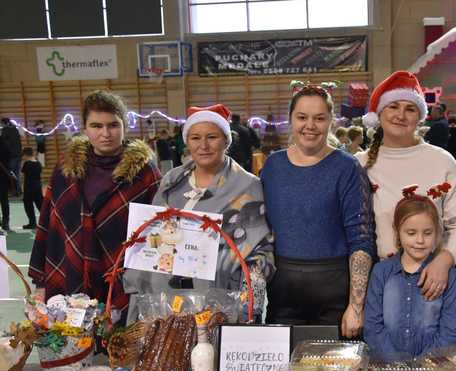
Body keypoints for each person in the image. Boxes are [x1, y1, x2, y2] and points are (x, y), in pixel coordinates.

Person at [124, 104, 274, 323]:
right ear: (187, 141)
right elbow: (150, 238)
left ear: (226, 140)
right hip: (166, 302)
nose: (203, 145)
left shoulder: (248, 187)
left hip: (218, 302)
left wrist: (247, 300)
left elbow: (259, 250)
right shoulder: (171, 182)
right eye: (195, 138)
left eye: (212, 137)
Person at [29, 90, 161, 313]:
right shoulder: (66, 169)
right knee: (74, 344)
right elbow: (48, 225)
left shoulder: (144, 172)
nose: (106, 133)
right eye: (96, 126)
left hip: (122, 278)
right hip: (70, 273)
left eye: (113, 125)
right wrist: (41, 282)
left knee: (118, 344)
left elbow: (160, 229)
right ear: (85, 128)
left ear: (124, 125)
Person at [261, 84, 376, 337]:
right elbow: (259, 230)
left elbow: (362, 238)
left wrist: (356, 306)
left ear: (330, 121)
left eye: (319, 118)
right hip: (283, 292)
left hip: (333, 292)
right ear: (291, 119)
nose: (310, 125)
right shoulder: (273, 166)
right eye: (302, 117)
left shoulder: (347, 168)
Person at [357, 70, 456, 301]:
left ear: (420, 116)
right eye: (393, 106)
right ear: (379, 113)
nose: (401, 115)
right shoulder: (360, 165)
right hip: (376, 284)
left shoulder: (443, 162)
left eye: (410, 109)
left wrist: (444, 261)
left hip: (430, 282)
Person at [364, 185, 456, 361]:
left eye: (427, 233)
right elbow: (373, 327)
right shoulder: (381, 272)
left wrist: (422, 364)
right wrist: (396, 363)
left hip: (431, 370)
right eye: (411, 233)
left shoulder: (450, 276)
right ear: (398, 232)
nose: (419, 240)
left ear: (436, 233)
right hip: (387, 369)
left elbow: (449, 329)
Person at [20, 147, 43, 229]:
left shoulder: (27, 164)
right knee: (40, 205)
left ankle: (32, 223)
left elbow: (23, 176)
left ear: (26, 155)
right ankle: (47, 221)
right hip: (38, 186)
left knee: (28, 205)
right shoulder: (39, 164)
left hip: (29, 187)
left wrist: (22, 188)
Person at [1, 118, 22, 196]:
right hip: (18, 154)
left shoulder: (5, 130)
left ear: (3, 123)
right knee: (17, 174)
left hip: (11, 156)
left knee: (10, 173)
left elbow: (4, 144)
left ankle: (11, 191)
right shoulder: (15, 129)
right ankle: (18, 190)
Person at [0, 134, 11, 231]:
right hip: (4, 175)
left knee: (4, 201)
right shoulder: (6, 144)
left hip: (2, 175)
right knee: (4, 201)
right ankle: (5, 222)